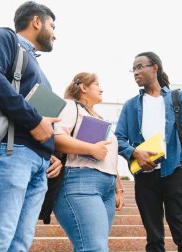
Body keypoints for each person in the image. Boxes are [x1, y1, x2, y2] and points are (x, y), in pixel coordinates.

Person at [0, 2, 63, 251]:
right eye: (52, 25)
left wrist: (49, 150)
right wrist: (34, 122)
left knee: (18, 244)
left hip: (37, 162)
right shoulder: (4, 37)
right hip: (9, 153)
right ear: (36, 21)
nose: (55, 33)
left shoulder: (34, 62)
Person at [115, 52, 182, 252]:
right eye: (133, 68)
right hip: (145, 178)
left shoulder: (177, 98)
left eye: (140, 66)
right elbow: (118, 138)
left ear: (155, 68)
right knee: (154, 239)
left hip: (174, 173)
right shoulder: (130, 106)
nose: (136, 72)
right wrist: (135, 153)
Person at [52, 72, 125, 251]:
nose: (101, 89)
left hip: (106, 188)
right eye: (97, 84)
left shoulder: (99, 117)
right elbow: (56, 138)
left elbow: (109, 156)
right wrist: (90, 149)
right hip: (80, 183)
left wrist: (118, 188)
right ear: (84, 88)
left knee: (92, 246)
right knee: (94, 248)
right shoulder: (70, 107)